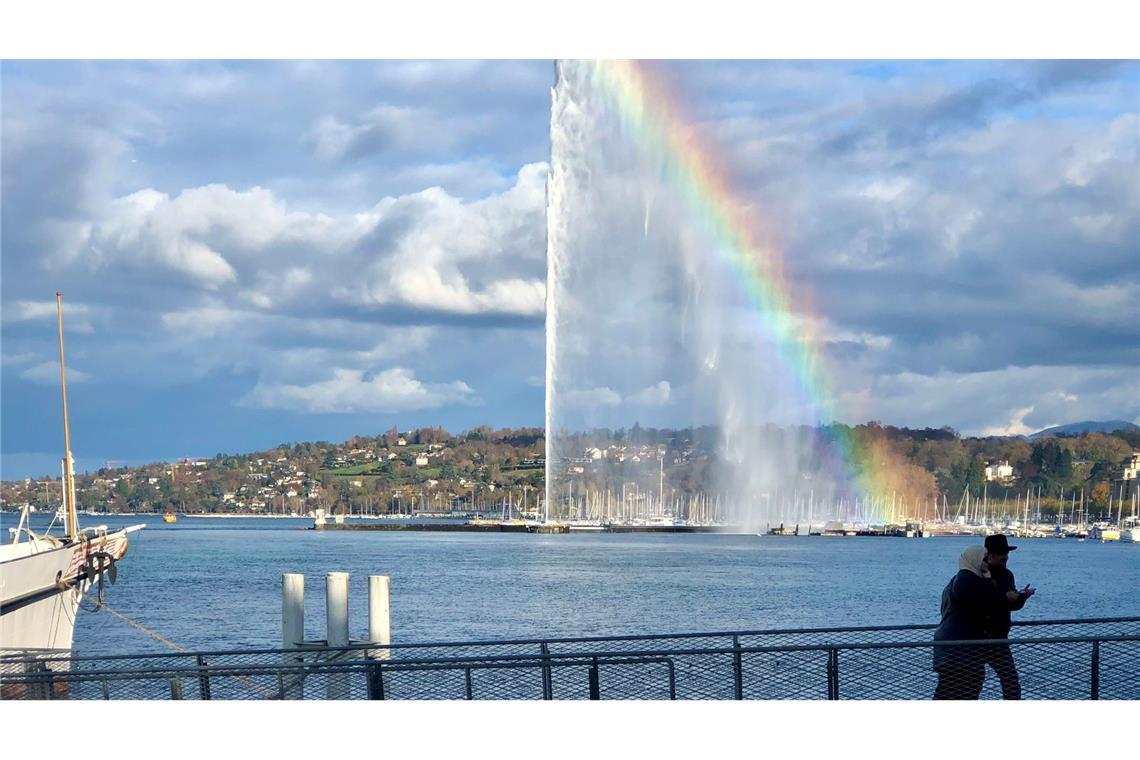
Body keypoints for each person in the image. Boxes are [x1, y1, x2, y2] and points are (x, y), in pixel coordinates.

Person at [932, 545, 1006, 699]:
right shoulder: (968, 580)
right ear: (975, 559)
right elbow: (988, 603)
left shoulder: (958, 580)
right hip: (961, 650)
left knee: (947, 690)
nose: (987, 563)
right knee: (965, 689)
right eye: (984, 559)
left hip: (950, 647)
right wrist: (989, 581)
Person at [982, 533, 1035, 699]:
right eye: (1002, 554)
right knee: (972, 680)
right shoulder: (977, 574)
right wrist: (1005, 598)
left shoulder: (1007, 575)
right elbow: (980, 601)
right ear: (990, 556)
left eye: (1007, 554)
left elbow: (1012, 606)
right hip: (979, 635)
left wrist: (1022, 598)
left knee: (1011, 681)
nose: (1006, 557)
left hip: (1000, 636)